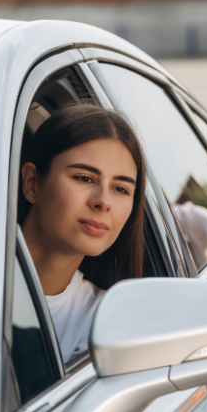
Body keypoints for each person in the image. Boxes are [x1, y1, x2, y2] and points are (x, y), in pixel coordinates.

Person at [18, 103, 147, 362]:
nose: (103, 201)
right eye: (84, 178)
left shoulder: (102, 321)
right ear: (32, 182)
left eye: (121, 189)